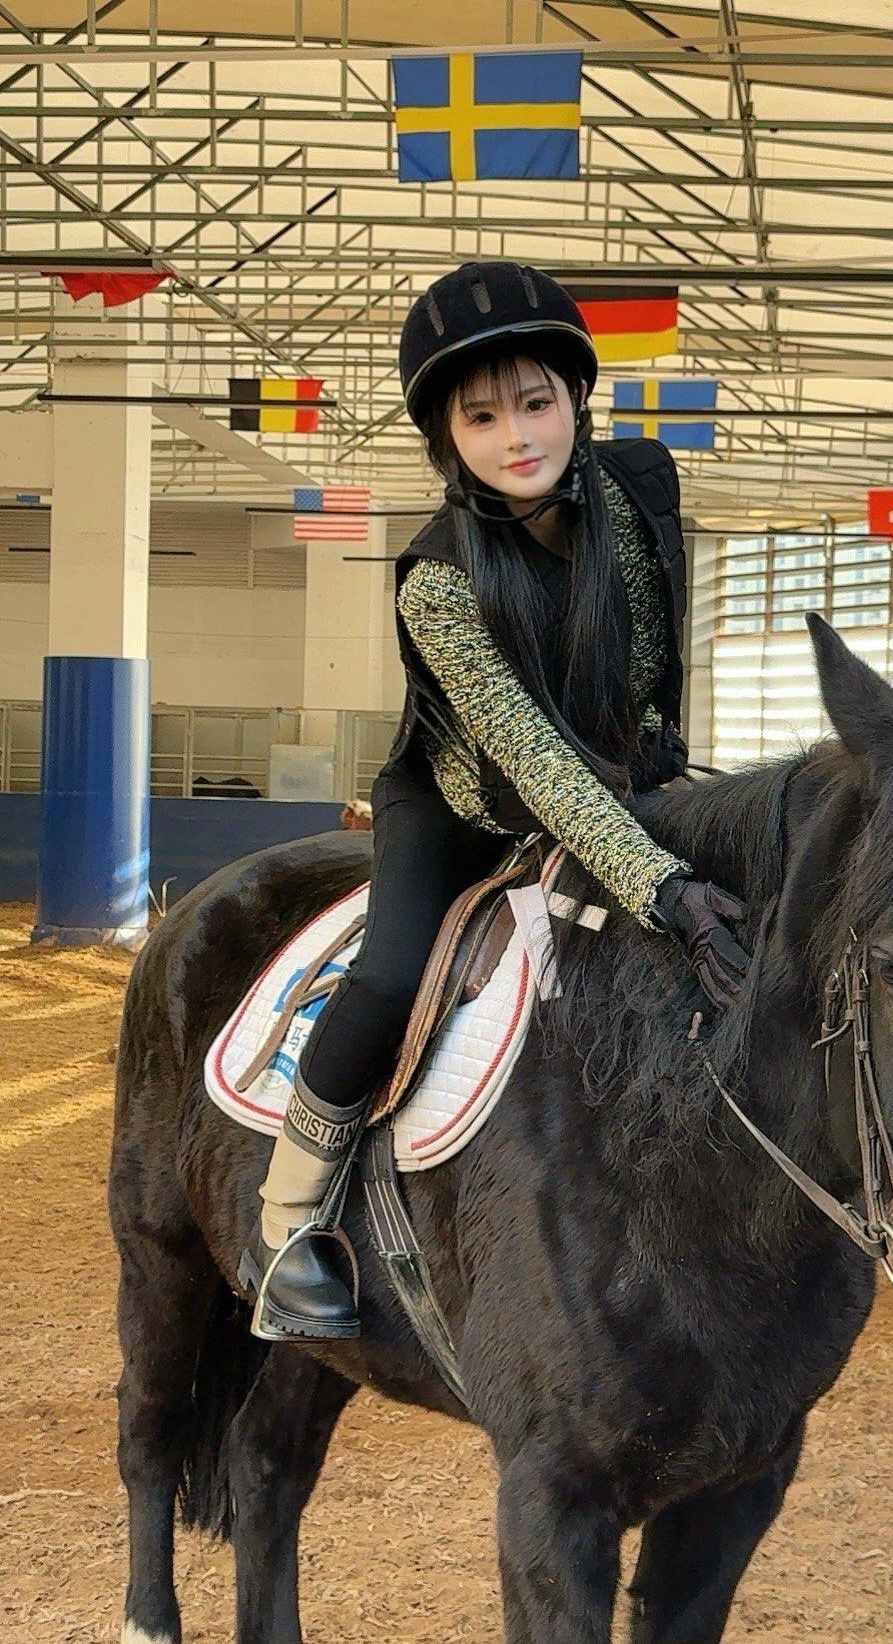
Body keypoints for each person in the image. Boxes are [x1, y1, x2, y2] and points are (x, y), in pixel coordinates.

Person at [239, 259, 749, 1342]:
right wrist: (661, 886)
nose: (519, 435)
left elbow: (654, 658)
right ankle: (288, 1226)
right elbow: (531, 760)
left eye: (535, 402)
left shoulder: (639, 490)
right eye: (483, 416)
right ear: (448, 436)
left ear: (575, 400)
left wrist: (672, 785)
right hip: (469, 796)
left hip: (618, 770)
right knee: (386, 976)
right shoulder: (438, 579)